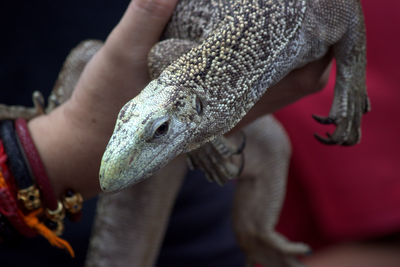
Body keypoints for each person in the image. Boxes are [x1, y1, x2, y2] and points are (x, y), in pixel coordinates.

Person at [0, 0, 331, 266]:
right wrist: (58, 143)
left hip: (204, 208)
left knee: (273, 143)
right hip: (113, 148)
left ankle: (255, 231)